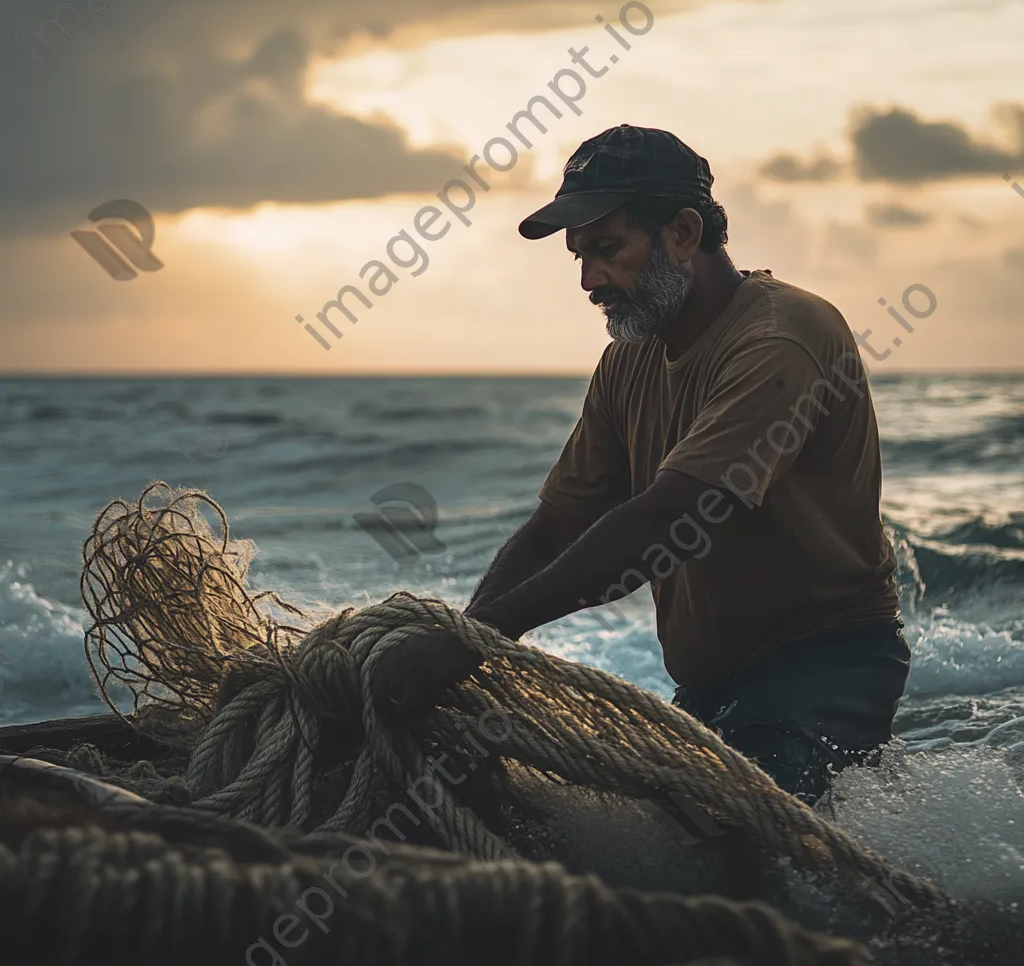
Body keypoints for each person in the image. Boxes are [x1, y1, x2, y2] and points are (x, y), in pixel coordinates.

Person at [373, 124, 911, 804]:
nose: (588, 279)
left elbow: (671, 518)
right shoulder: (628, 358)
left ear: (683, 233)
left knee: (743, 854)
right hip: (710, 682)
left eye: (607, 251)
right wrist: (462, 642)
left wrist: (477, 639)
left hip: (825, 661)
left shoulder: (781, 337)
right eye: (579, 258)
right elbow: (556, 526)